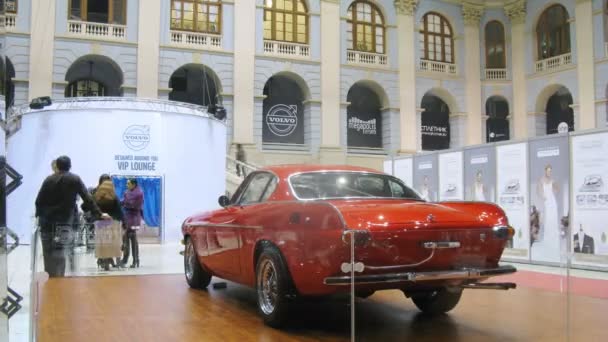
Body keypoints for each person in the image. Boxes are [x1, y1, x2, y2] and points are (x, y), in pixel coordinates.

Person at [35, 155, 109, 277]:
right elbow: (88, 198)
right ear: (70, 166)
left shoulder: (48, 180)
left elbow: (38, 201)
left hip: (47, 223)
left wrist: (40, 217)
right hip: (64, 222)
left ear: (57, 166)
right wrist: (99, 214)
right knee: (59, 254)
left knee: (48, 254)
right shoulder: (74, 179)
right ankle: (59, 282)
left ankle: (51, 280)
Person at [85, 174, 124, 270]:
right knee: (111, 242)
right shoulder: (110, 192)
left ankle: (104, 261)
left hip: (101, 221)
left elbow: (90, 206)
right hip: (109, 220)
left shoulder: (96, 192)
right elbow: (117, 207)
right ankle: (109, 261)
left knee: (104, 243)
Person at [121, 178, 143, 268]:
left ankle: (135, 260)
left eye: (128, 183)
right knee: (125, 238)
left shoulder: (139, 193)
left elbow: (135, 206)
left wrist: (126, 203)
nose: (127, 185)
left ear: (134, 184)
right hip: (127, 217)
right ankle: (125, 259)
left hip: (134, 219)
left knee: (133, 239)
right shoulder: (127, 193)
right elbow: (125, 202)